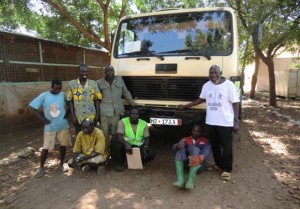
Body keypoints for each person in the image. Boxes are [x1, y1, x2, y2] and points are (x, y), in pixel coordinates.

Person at [178, 65, 240, 181]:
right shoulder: (206, 85)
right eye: (211, 73)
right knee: (215, 145)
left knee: (226, 147)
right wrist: (186, 106)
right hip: (211, 122)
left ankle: (227, 169)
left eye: (215, 72)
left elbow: (235, 104)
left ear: (220, 72)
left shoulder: (229, 85)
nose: (213, 75)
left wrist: (235, 121)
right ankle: (218, 164)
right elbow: (201, 99)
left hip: (225, 123)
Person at [29, 80, 71, 178]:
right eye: (56, 88)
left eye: (60, 88)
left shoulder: (63, 95)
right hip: (50, 126)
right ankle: (41, 167)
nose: (58, 90)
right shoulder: (44, 95)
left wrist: (67, 115)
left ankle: (61, 164)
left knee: (63, 145)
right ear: (51, 87)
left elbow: (70, 104)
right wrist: (42, 119)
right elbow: (33, 107)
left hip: (63, 125)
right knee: (46, 147)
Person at [97, 65, 135, 154]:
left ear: (114, 71)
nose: (110, 72)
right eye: (108, 71)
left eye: (111, 70)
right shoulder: (99, 82)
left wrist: (133, 105)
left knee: (116, 134)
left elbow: (126, 92)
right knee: (104, 135)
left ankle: (114, 153)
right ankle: (105, 154)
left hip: (117, 113)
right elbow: (96, 99)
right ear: (105, 72)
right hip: (104, 114)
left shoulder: (119, 80)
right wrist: (97, 114)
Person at [113, 107, 155, 172]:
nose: (134, 116)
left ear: (139, 115)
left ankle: (136, 160)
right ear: (129, 114)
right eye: (132, 113)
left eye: (137, 114)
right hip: (126, 145)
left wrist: (145, 148)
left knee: (151, 153)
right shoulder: (122, 122)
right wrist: (126, 144)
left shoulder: (143, 123)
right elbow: (119, 136)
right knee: (117, 143)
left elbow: (147, 138)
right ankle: (121, 163)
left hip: (138, 145)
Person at [172, 124, 211, 190]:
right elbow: (174, 147)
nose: (195, 133)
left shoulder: (206, 141)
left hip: (199, 166)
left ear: (201, 132)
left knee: (194, 149)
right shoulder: (185, 139)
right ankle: (180, 180)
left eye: (198, 132)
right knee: (180, 149)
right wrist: (177, 146)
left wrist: (200, 157)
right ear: (191, 131)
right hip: (187, 165)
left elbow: (206, 153)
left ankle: (190, 181)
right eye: (194, 131)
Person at [67, 64, 102, 135]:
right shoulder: (71, 84)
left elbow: (97, 100)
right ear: (78, 72)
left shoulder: (93, 83)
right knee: (79, 135)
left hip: (91, 115)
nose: (85, 74)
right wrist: (73, 116)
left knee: (92, 135)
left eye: (86, 72)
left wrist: (97, 115)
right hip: (78, 116)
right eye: (82, 71)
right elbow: (70, 100)